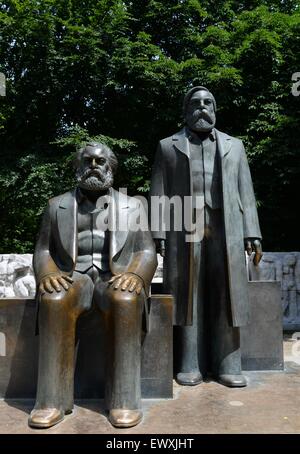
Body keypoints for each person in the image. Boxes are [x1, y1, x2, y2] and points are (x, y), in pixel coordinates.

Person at [29, 142, 157, 429]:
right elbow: (42, 251)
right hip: (72, 277)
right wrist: (48, 274)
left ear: (111, 168)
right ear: (78, 167)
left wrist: (136, 276)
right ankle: (51, 402)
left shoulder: (133, 205)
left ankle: (124, 401)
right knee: (53, 299)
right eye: (88, 162)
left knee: (125, 300)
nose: (94, 167)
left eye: (101, 162)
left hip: (113, 277)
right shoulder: (56, 206)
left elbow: (146, 252)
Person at [150, 86, 262, 387]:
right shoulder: (166, 146)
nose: (202, 107)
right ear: (185, 110)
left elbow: (246, 192)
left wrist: (253, 232)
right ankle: (189, 364)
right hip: (183, 223)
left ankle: (228, 364)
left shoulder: (235, 146)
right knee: (188, 294)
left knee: (228, 293)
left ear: (215, 108)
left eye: (208, 102)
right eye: (195, 103)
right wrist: (158, 232)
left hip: (227, 224)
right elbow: (158, 192)